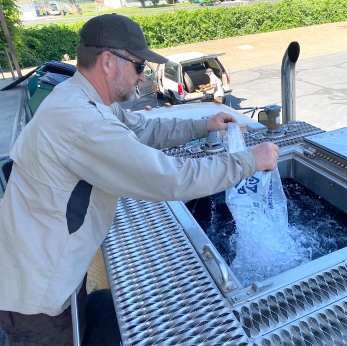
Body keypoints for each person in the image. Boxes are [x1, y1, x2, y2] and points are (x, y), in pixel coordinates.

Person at [0, 14, 279, 346]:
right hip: (36, 294)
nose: (143, 76)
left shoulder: (81, 97)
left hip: (42, 264)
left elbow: (143, 129)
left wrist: (203, 125)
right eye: (138, 66)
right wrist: (250, 160)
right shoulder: (83, 122)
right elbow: (169, 179)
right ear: (107, 62)